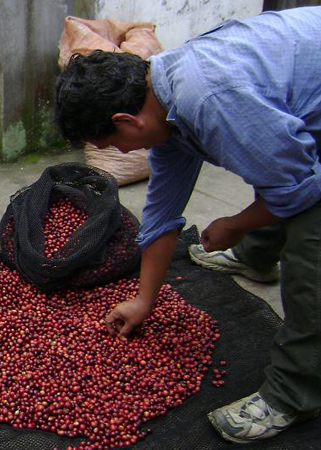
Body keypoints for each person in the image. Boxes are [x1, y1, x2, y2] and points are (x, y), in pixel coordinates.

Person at [54, 7, 321, 444]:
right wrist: (144, 301)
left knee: (311, 256)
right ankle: (257, 256)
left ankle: (293, 394)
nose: (120, 155)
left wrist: (235, 225)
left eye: (114, 145)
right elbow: (162, 213)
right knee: (272, 160)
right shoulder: (164, 98)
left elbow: (300, 189)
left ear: (126, 121)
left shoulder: (213, 102)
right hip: (299, 97)